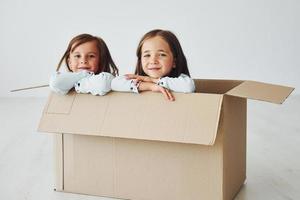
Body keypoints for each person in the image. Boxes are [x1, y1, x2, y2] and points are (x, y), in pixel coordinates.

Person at [111, 29, 195, 101]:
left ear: (174, 62)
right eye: (147, 55)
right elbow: (114, 83)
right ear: (140, 61)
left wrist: (153, 80)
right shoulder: (138, 80)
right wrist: (149, 86)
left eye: (162, 55)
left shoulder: (181, 80)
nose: (153, 61)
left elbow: (189, 86)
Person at [49, 33, 118, 95]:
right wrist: (84, 75)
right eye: (78, 56)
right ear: (70, 63)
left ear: (101, 61)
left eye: (91, 56)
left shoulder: (107, 79)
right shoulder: (65, 81)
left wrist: (79, 83)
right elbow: (55, 82)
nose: (83, 61)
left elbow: (103, 83)